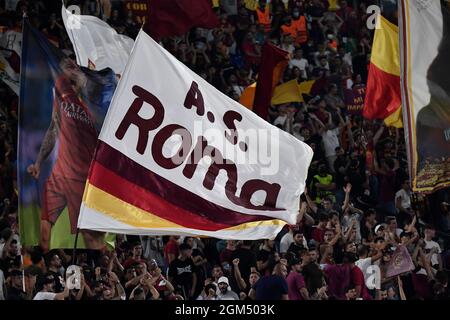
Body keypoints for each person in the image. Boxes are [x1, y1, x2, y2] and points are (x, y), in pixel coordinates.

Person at [26, 57, 116, 251]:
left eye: (74, 65)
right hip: (59, 173)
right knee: (43, 234)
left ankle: (107, 269)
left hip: (83, 178)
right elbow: (54, 127)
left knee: (91, 240)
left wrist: (84, 84)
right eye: (66, 65)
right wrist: (39, 163)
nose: (70, 68)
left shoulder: (98, 100)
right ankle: (45, 271)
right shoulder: (60, 89)